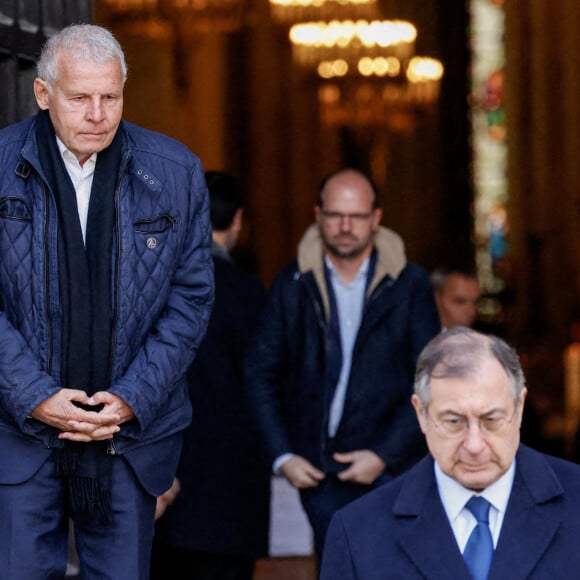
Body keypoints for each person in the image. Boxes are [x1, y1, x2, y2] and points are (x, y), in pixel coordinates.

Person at [0, 24, 214, 579]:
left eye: (110, 96)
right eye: (79, 98)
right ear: (43, 94)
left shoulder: (174, 171)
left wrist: (131, 397)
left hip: (129, 435)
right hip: (17, 432)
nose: (97, 113)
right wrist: (34, 395)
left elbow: (189, 300)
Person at [244, 167, 441, 560]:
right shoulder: (294, 282)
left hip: (393, 467)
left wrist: (384, 454)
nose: (346, 226)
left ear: (377, 218)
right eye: (335, 215)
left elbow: (430, 379)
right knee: (338, 567)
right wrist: (283, 456)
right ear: (318, 216)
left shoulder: (409, 284)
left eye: (357, 216)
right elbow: (259, 372)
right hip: (319, 472)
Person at [320, 327, 580, 579]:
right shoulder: (357, 532)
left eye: (491, 420)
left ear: (519, 406)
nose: (474, 445)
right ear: (421, 413)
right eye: (454, 422)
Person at [150, 171, 270, 580]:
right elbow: (265, 386)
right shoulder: (250, 294)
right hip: (232, 492)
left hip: (167, 485)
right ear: (237, 220)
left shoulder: (155, 288)